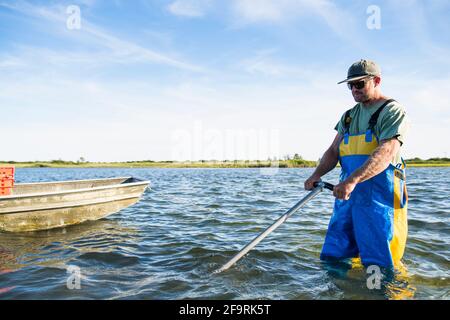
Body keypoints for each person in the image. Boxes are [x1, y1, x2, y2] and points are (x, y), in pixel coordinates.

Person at [305, 59, 410, 268]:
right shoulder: (348, 117)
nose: (354, 89)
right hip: (347, 197)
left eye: (359, 84)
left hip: (380, 201)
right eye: (350, 85)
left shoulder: (392, 111)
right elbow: (334, 151)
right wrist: (316, 175)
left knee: (379, 263)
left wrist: (352, 181)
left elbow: (386, 151)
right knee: (335, 256)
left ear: (377, 80)